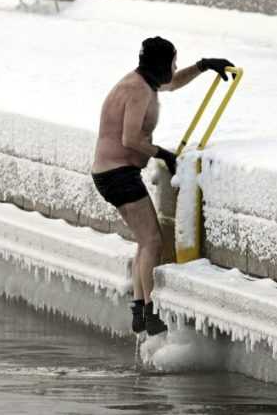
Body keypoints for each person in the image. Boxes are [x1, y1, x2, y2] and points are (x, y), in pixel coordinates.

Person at [91, 37, 234, 335]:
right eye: (173, 62)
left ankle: (140, 311)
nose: (175, 67)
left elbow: (172, 83)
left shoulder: (145, 82)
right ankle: (148, 311)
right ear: (160, 64)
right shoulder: (137, 90)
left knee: (145, 241)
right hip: (117, 174)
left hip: (116, 172)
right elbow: (130, 140)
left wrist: (204, 66)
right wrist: (163, 154)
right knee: (152, 241)